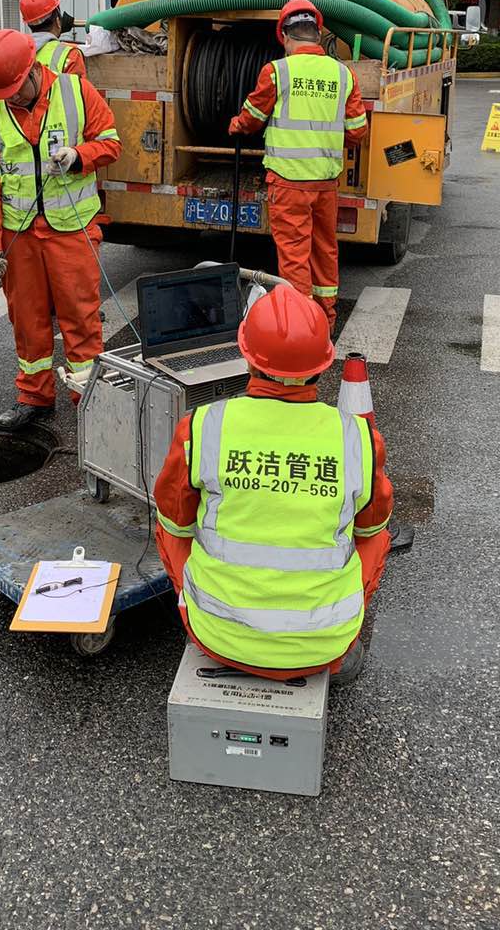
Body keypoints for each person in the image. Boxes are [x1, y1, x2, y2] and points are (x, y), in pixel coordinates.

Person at [154, 283, 392, 686]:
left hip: (217, 636)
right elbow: (369, 528)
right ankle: (339, 635)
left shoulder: (203, 425)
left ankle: (199, 604)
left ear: (246, 358)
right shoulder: (359, 438)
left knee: (168, 524)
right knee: (377, 534)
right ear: (323, 364)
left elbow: (176, 523)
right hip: (325, 643)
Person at [0, 28, 121, 428]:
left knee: (80, 316)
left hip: (71, 229)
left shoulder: (76, 92)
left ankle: (87, 396)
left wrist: (79, 155)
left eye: (16, 90)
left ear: (34, 70)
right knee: (27, 318)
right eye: (4, 94)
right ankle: (34, 396)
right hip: (17, 235)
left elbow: (111, 142)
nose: (11, 99)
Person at [227, 0, 368, 330]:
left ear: (285, 37)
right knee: (324, 250)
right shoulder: (343, 73)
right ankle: (326, 320)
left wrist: (236, 125)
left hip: (289, 184)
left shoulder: (277, 71)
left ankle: (302, 327)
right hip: (326, 182)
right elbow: (357, 130)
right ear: (318, 35)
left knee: (294, 257)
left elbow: (252, 118)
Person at [19, 0, 86, 76]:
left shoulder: (19, 54)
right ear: (58, 21)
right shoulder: (70, 55)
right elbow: (81, 89)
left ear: (28, 23)